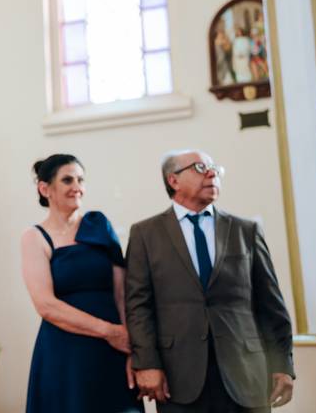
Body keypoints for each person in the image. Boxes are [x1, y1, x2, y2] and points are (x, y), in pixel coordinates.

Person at [125, 149, 294, 412]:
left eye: (215, 168)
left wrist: (283, 364)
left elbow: (271, 303)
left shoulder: (246, 231)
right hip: (178, 378)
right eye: (201, 168)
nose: (213, 173)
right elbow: (138, 308)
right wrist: (146, 363)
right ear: (173, 180)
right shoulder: (145, 234)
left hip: (246, 374)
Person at [21, 154, 142, 413]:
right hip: (65, 353)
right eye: (67, 180)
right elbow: (46, 305)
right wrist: (108, 331)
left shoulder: (99, 225)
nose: (77, 187)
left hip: (114, 349)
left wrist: (130, 344)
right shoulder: (34, 237)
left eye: (81, 180)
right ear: (45, 189)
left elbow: (121, 293)